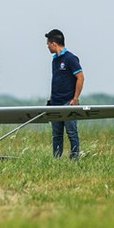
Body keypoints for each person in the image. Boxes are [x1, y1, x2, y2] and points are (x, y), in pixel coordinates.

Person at [45, 28, 84, 159]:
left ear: (54, 43)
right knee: (56, 135)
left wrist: (75, 98)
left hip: (68, 102)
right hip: (56, 103)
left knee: (72, 133)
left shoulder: (70, 58)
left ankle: (75, 159)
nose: (47, 46)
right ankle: (56, 159)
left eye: (48, 43)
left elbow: (80, 77)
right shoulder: (54, 60)